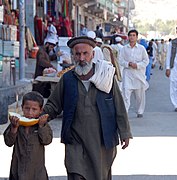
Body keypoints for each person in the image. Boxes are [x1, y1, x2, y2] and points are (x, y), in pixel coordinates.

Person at [42, 35, 132, 179]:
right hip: (75, 140)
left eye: (85, 54)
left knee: (99, 174)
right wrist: (40, 116)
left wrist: (125, 132)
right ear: (72, 56)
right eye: (77, 54)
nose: (82, 58)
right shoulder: (67, 79)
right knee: (75, 173)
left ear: (93, 55)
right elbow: (54, 104)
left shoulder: (106, 75)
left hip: (101, 140)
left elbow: (118, 105)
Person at [4, 91, 52, 180]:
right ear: (22, 108)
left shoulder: (42, 124)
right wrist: (14, 128)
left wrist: (42, 126)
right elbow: (8, 142)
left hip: (37, 172)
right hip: (17, 169)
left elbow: (47, 141)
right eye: (27, 108)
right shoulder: (16, 123)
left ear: (40, 110)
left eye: (34, 109)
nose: (30, 112)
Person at [119, 29, 149, 118]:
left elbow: (146, 61)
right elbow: (120, 60)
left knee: (139, 96)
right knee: (126, 95)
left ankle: (140, 111)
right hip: (128, 74)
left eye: (133, 35)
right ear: (128, 37)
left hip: (138, 75)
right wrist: (128, 64)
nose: (132, 37)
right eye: (130, 35)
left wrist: (137, 65)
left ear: (136, 37)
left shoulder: (141, 48)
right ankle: (125, 112)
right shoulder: (124, 48)